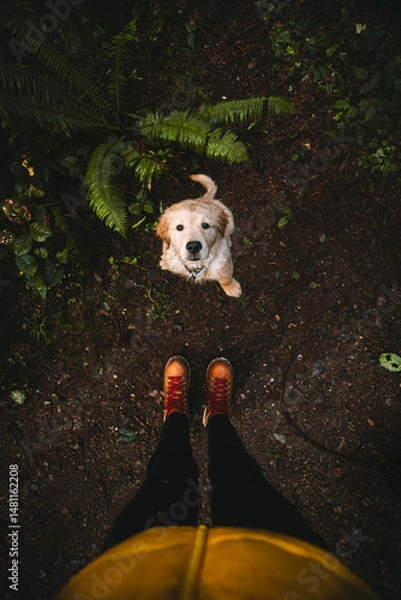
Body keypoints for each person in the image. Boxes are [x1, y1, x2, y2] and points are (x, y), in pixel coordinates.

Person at [56, 356, 377, 599]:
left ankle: (180, 416)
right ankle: (211, 417)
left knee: (165, 481)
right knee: (243, 481)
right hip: (280, 572)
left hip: (135, 578)